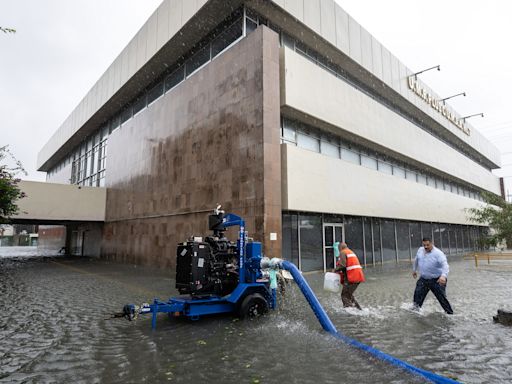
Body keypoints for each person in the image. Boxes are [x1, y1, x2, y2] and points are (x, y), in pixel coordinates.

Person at [412, 237, 453, 314]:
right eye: (424, 245)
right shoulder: (420, 250)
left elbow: (445, 266)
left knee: (442, 299)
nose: (426, 247)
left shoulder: (438, 254)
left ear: (432, 243)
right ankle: (415, 313)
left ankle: (450, 314)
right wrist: (414, 270)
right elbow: (416, 259)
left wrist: (443, 276)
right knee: (417, 297)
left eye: (428, 245)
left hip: (437, 280)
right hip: (423, 279)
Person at [334, 242, 365, 309]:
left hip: (352, 277)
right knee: (349, 294)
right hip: (358, 276)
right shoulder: (350, 251)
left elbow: (342, 265)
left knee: (344, 295)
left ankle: (349, 311)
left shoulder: (343, 252)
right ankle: (358, 309)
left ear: (340, 248)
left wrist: (334, 270)